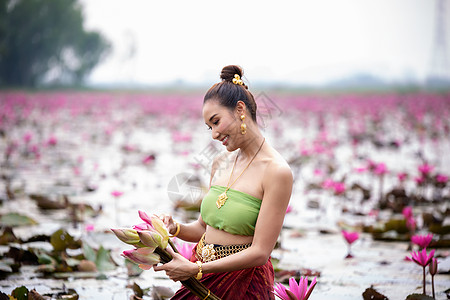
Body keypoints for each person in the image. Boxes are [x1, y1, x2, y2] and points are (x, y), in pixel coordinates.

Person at [154, 65, 293, 299]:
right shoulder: (219, 163)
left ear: (240, 109)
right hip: (200, 275)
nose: (214, 134)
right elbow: (202, 228)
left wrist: (196, 269)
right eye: (209, 126)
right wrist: (173, 228)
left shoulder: (277, 172)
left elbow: (260, 252)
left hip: (243, 283)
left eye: (216, 122)